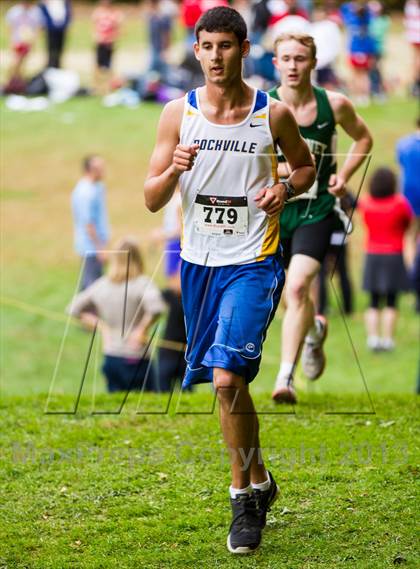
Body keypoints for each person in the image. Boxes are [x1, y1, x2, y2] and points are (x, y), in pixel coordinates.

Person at [144, 6, 315, 554]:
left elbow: (306, 166)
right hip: (198, 264)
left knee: (225, 379)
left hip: (253, 260)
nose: (216, 57)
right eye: (206, 47)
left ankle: (242, 497)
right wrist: (173, 167)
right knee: (228, 387)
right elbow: (151, 199)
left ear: (245, 50)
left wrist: (285, 189)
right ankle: (261, 479)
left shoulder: (274, 114)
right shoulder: (178, 114)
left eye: (226, 46)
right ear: (195, 51)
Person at [269, 32, 373, 404]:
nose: (294, 66)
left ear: (313, 63)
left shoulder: (335, 105)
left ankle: (285, 378)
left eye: (301, 58)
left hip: (318, 211)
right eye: (287, 58)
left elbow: (364, 139)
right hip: (277, 213)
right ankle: (313, 332)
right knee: (284, 297)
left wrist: (343, 177)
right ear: (275, 63)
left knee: (298, 288)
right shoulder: (263, 107)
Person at [68, 237, 165, 392]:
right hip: (136, 356)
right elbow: (157, 308)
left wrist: (102, 327)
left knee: (115, 404)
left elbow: (74, 308)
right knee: (145, 405)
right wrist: (141, 329)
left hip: (111, 356)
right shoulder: (142, 283)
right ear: (138, 259)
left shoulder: (102, 284)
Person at [358, 168, 413, 351]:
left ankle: (373, 339)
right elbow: (408, 222)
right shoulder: (399, 204)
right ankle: (388, 340)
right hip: (394, 255)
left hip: (372, 254)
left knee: (373, 301)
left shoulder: (366, 203)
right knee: (391, 300)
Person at [71, 155, 110, 290]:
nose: (103, 172)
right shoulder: (85, 193)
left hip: (94, 248)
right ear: (91, 170)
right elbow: (89, 224)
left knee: (92, 288)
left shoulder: (96, 187)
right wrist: (101, 249)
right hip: (91, 249)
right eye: (100, 168)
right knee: (92, 291)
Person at [341, 1, 376, 106]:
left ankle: (360, 96)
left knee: (358, 75)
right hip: (363, 50)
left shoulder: (351, 19)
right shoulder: (367, 19)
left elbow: (344, 10)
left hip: (356, 50)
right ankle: (362, 96)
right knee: (363, 75)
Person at [5, 1, 42, 91]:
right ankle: (11, 81)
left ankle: (19, 82)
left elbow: (38, 27)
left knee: (23, 63)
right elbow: (10, 27)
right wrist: (11, 41)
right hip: (17, 41)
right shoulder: (14, 11)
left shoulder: (35, 12)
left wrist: (33, 40)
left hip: (28, 42)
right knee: (15, 62)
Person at [92, 0, 123, 94]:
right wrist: (97, 37)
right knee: (98, 65)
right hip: (100, 42)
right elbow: (94, 26)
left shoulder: (115, 13)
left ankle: (108, 87)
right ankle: (97, 87)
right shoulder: (98, 12)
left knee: (109, 66)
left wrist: (113, 38)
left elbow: (119, 28)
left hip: (109, 43)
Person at [38, 0, 71, 68]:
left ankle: (57, 66)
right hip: (51, 28)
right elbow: (42, 10)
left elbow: (68, 12)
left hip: (61, 27)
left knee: (60, 48)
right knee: (51, 49)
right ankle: (50, 66)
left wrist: (67, 24)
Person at [404, 0, 420, 98]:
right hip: (416, 35)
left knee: (415, 60)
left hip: (413, 35)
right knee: (417, 60)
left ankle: (415, 84)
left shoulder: (410, 4)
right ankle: (416, 84)